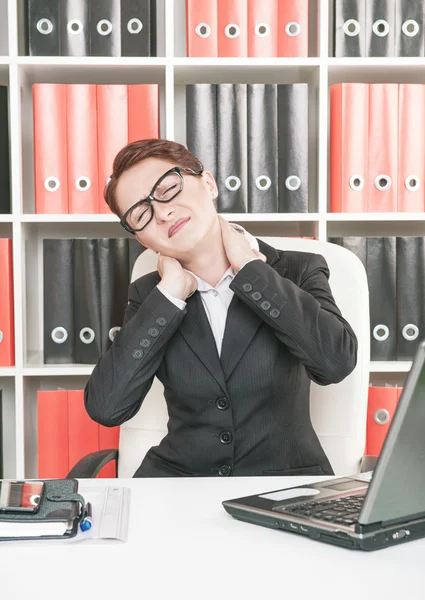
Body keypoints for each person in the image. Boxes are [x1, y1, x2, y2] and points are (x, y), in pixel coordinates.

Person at [84, 138, 358, 478]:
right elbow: (107, 407)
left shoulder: (298, 269)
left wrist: (250, 270)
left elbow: (335, 362)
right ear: (142, 239)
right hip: (180, 487)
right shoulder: (150, 296)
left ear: (209, 183)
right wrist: (169, 295)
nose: (163, 212)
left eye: (169, 189)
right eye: (142, 213)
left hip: (284, 484)